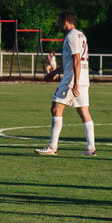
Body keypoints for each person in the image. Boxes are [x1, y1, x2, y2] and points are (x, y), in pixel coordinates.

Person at [36, 11, 95, 156]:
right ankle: (91, 148)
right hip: (83, 78)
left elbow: (76, 60)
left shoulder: (71, 36)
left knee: (56, 109)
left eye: (59, 21)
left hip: (72, 79)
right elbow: (70, 62)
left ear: (65, 21)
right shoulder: (81, 35)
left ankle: (52, 146)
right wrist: (53, 73)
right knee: (84, 112)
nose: (58, 24)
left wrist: (75, 83)